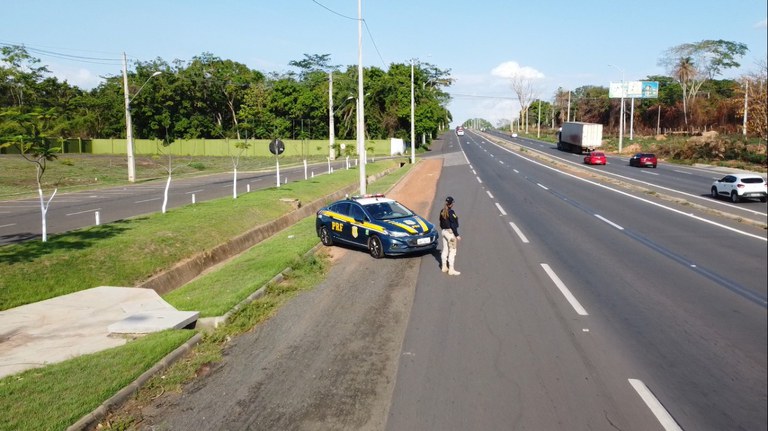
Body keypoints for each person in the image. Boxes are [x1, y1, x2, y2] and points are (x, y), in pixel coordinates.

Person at [439, 196, 461, 275]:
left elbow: (441, 223)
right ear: (451, 204)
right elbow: (453, 224)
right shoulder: (451, 212)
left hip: (443, 232)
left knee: (445, 249)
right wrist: (457, 235)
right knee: (453, 251)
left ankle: (444, 267)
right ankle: (451, 270)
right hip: (450, 234)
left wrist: (444, 229)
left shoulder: (442, 211)